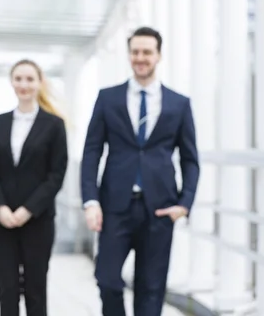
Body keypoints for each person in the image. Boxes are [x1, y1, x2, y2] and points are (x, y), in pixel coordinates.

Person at [81, 26, 199, 316]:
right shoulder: (108, 98)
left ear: (158, 55)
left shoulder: (178, 103)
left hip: (159, 209)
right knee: (107, 279)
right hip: (114, 207)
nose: (141, 57)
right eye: (135, 51)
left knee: (151, 287)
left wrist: (184, 203)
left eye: (147, 52)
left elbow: (190, 158)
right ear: (129, 54)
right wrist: (91, 200)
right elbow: (92, 151)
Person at [0, 59, 68, 316]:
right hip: (3, 220)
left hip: (38, 220)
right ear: (11, 82)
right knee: (7, 289)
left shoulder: (54, 125)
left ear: (40, 82)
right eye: (18, 78)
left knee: (35, 289)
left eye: (30, 79)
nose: (24, 84)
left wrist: (28, 209)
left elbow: (57, 173)